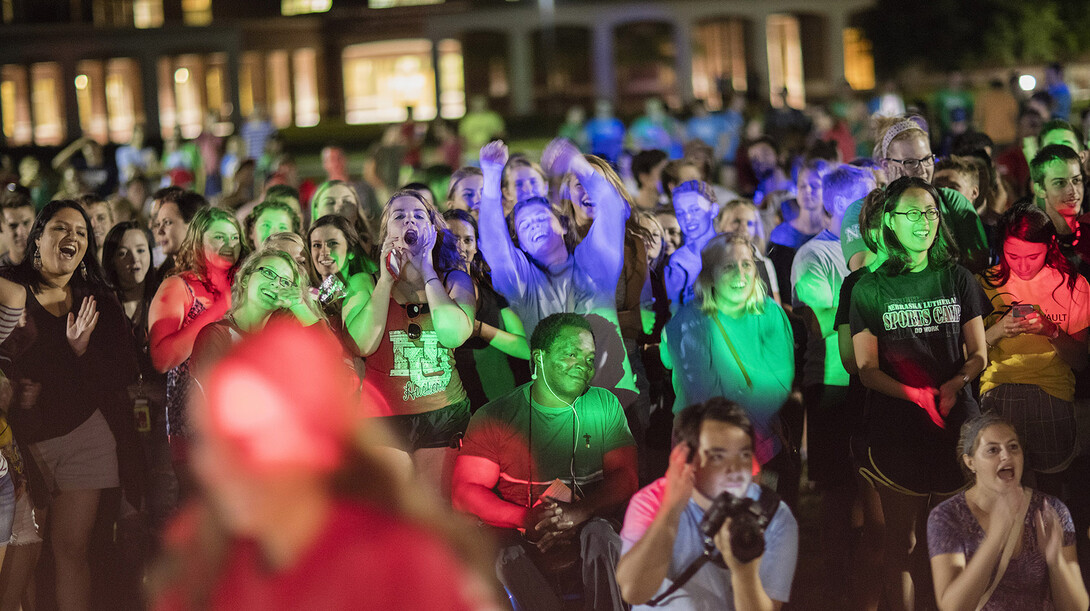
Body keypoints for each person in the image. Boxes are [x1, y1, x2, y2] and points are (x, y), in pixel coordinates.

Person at [150, 320, 498, 610]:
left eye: (246, 445)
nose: (217, 468)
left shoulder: (406, 566)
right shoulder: (200, 558)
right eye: (213, 441)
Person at [849, 177, 991, 611]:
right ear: (890, 221)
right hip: (898, 430)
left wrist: (953, 385)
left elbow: (979, 353)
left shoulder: (958, 277)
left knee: (956, 538)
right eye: (911, 214)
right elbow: (866, 368)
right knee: (903, 542)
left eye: (930, 212)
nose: (923, 222)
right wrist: (913, 393)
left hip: (956, 427)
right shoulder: (868, 288)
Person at [1, 200, 137, 610]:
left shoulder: (96, 298)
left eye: (80, 232)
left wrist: (80, 352)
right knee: (23, 561)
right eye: (61, 228)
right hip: (24, 444)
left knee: (72, 553)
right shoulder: (11, 292)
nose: (72, 237)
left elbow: (120, 375)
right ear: (37, 237)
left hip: (84, 437)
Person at [451, 312, 637, 611]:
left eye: (589, 358)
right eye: (571, 354)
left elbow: (625, 476)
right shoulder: (496, 415)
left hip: (587, 522)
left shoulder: (604, 405)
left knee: (601, 534)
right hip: (520, 529)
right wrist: (526, 520)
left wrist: (577, 513)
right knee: (503, 552)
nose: (584, 366)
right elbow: (465, 492)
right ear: (538, 358)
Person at [478, 139, 640, 412]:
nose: (534, 226)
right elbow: (495, 243)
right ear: (521, 246)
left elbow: (611, 208)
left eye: (541, 218)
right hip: (557, 410)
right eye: (525, 225)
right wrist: (492, 174)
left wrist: (576, 162)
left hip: (613, 402)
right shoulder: (523, 283)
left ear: (563, 225)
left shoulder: (593, 264)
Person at [344, 189, 475, 494]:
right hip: (382, 417)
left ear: (431, 228)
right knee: (395, 510)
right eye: (399, 216)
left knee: (434, 508)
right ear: (386, 230)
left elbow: (453, 334)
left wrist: (427, 269)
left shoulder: (454, 279)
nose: (409, 222)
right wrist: (386, 280)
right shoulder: (364, 280)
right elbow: (363, 344)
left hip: (443, 413)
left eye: (418, 215)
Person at [616, 398, 798, 610]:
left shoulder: (774, 515)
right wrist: (670, 513)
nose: (735, 469)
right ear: (688, 461)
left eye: (744, 454)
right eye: (719, 456)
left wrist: (743, 572)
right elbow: (634, 591)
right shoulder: (652, 501)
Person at [789, 164, 875, 603]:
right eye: (870, 198)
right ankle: (837, 584)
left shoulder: (874, 249)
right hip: (833, 383)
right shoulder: (814, 256)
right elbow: (824, 322)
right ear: (844, 205)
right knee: (838, 489)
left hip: (867, 381)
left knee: (868, 482)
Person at [662, 233, 794, 484]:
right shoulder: (690, 322)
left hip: (758, 442)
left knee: (752, 519)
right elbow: (702, 394)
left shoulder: (770, 313)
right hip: (703, 444)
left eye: (747, 264)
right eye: (729, 266)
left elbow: (780, 382)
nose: (741, 274)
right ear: (710, 274)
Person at [978, 203, 1089, 494]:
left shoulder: (1073, 286)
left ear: (1050, 245)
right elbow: (970, 354)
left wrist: (1051, 330)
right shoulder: (986, 284)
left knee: (1050, 493)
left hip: (1052, 391)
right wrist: (1000, 329)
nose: (1023, 266)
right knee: (1006, 494)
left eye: (1033, 256)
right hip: (999, 388)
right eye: (1012, 255)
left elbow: (1079, 360)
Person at [927, 413, 1088, 610]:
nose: (1006, 456)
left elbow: (1077, 608)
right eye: (992, 450)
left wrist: (1056, 563)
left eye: (1013, 447)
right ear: (970, 462)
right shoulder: (947, 516)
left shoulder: (1050, 509)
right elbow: (953, 607)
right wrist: (995, 540)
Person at [148, 207, 245, 480]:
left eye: (234, 237)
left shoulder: (248, 286)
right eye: (218, 237)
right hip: (194, 422)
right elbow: (162, 358)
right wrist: (221, 308)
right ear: (198, 242)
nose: (229, 245)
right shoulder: (177, 286)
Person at [443, 209, 529, 409]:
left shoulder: (491, 286)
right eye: (452, 239)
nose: (460, 247)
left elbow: (526, 349)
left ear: (476, 247)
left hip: (502, 401)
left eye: (467, 240)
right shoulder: (429, 290)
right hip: (453, 408)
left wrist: (479, 329)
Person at [190, 247, 324, 374]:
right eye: (268, 273)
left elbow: (329, 355)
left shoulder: (280, 343)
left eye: (285, 282)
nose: (276, 283)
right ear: (245, 279)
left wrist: (299, 305)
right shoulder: (215, 335)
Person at [767, 159, 833, 299]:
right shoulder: (780, 235)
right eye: (802, 186)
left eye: (815, 186)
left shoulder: (835, 231)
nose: (808, 190)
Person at [1030, 145, 1090, 277]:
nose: (1072, 191)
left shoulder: (1087, 232)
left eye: (1076, 180)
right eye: (1060, 183)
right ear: (1040, 189)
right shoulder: (1032, 242)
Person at [664, 180, 719, 312]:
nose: (688, 218)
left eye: (694, 210)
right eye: (680, 213)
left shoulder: (733, 249)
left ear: (713, 210)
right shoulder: (678, 262)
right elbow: (674, 312)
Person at [310, 180, 376, 257]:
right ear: (316, 210)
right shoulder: (303, 254)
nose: (339, 207)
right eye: (330, 202)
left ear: (357, 210)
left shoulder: (377, 254)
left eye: (346, 201)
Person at [152, 189, 207, 281]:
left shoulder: (215, 271)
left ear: (192, 225)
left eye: (167, 222)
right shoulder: (159, 277)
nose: (159, 231)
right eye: (158, 224)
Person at [0, 186, 36, 267]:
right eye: (13, 226)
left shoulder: (52, 266)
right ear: (1, 227)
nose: (20, 232)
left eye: (26, 223)